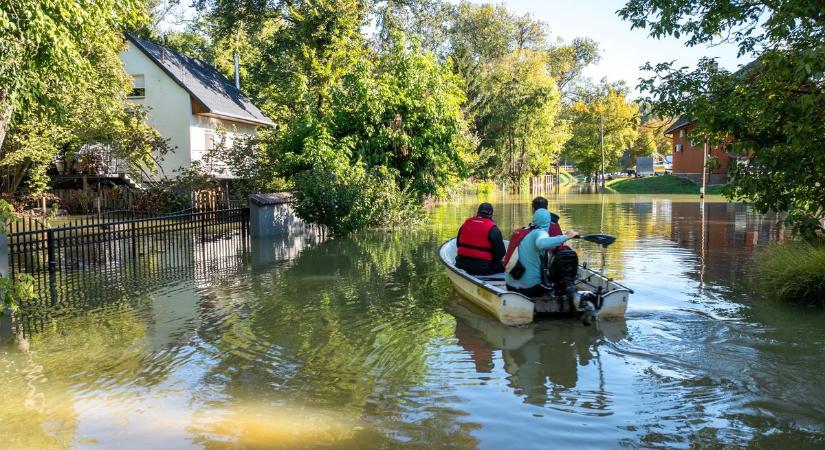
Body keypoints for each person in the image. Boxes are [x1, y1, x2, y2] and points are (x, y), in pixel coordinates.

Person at [505, 208, 577, 297]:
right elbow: (541, 243)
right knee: (558, 288)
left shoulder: (523, 231)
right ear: (548, 222)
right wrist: (566, 236)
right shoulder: (540, 233)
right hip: (529, 289)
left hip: (510, 286)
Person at [455, 203, 506, 275]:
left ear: (478, 212)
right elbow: (501, 253)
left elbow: (458, 244)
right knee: (507, 265)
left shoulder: (465, 224)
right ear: (491, 215)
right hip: (482, 268)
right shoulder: (493, 229)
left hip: (460, 264)